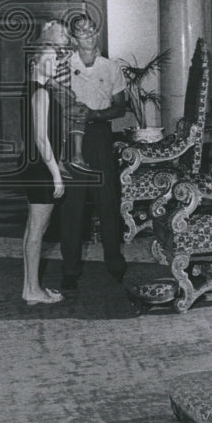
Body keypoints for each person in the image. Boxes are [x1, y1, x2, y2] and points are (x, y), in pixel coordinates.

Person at [60, 15, 127, 290]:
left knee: (107, 201)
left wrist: (96, 113)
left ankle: (115, 263)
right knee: (72, 205)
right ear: (73, 38)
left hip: (100, 135)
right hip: (72, 136)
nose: (88, 33)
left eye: (91, 28)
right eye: (81, 30)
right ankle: (70, 269)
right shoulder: (64, 66)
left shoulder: (111, 67)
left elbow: (120, 107)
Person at [21, 36, 66, 305]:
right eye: (48, 59)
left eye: (55, 58)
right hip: (40, 169)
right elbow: (41, 138)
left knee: (31, 231)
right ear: (35, 63)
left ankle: (29, 288)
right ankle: (34, 289)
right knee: (37, 231)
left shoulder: (29, 88)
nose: (54, 63)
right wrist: (56, 174)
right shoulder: (41, 92)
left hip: (32, 167)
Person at [39, 19, 92, 177]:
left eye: (67, 35)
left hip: (65, 93)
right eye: (61, 34)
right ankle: (60, 160)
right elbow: (47, 78)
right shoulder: (48, 52)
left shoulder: (62, 51)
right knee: (64, 123)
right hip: (57, 94)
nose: (66, 38)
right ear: (49, 36)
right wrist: (64, 90)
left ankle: (77, 155)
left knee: (79, 113)